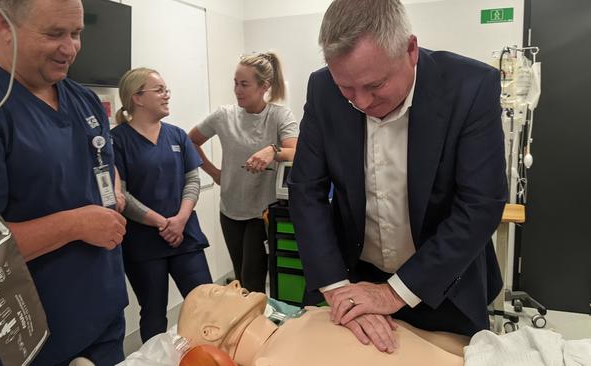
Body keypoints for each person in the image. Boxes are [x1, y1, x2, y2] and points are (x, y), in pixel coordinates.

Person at [288, 0, 507, 354]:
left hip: (442, 282)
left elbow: (480, 205)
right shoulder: (323, 88)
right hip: (354, 275)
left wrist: (394, 292)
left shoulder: (470, 87)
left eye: (374, 85)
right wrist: (335, 287)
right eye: (347, 88)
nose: (360, 102)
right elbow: (306, 191)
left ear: (410, 50)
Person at [0, 0, 128, 364]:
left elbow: (100, 162)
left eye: (76, 33)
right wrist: (76, 223)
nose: (70, 48)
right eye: (54, 34)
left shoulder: (83, 100)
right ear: (2, 23)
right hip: (31, 337)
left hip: (102, 313)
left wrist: (114, 189)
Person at [112, 67, 212, 342]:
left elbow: (192, 179)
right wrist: (161, 222)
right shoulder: (116, 140)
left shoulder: (177, 135)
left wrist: (180, 219)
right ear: (137, 98)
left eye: (166, 90)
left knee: (206, 305)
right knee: (154, 312)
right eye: (159, 90)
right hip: (144, 243)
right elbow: (121, 193)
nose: (167, 95)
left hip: (185, 236)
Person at [189, 52, 299, 293]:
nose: (238, 90)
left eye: (244, 84)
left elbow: (295, 152)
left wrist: (272, 150)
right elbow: (191, 142)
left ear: (264, 86)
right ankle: (247, 324)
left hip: (262, 213)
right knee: (241, 278)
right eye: (235, 83)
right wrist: (214, 172)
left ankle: (258, 326)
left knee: (253, 279)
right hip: (230, 210)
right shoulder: (223, 115)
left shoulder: (279, 115)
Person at [177, 281, 469, 366]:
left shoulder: (310, 315)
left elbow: (420, 340)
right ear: (211, 332)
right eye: (216, 292)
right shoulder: (274, 362)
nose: (234, 282)